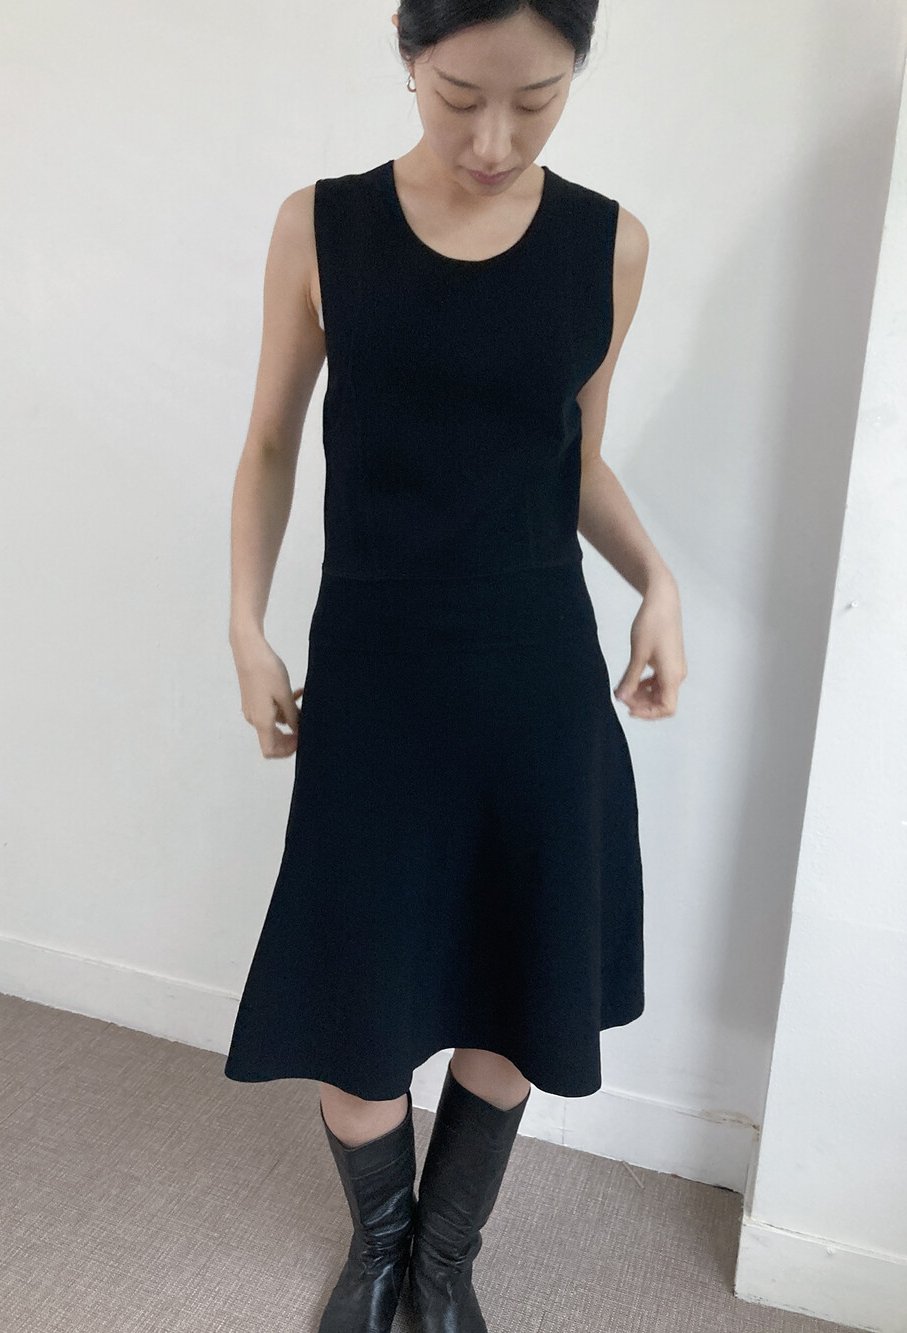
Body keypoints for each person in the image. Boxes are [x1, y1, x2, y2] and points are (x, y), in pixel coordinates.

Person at [223, 2, 687, 1330]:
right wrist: (245, 624)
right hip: (376, 667)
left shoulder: (610, 245)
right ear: (408, 55)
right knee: (358, 997)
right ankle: (377, 1250)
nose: (493, 139)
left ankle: (441, 1264)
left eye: (536, 103)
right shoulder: (321, 227)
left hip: (536, 673)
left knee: (515, 985)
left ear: (577, 73)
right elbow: (271, 441)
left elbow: (573, 457)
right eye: (457, 95)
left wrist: (658, 582)